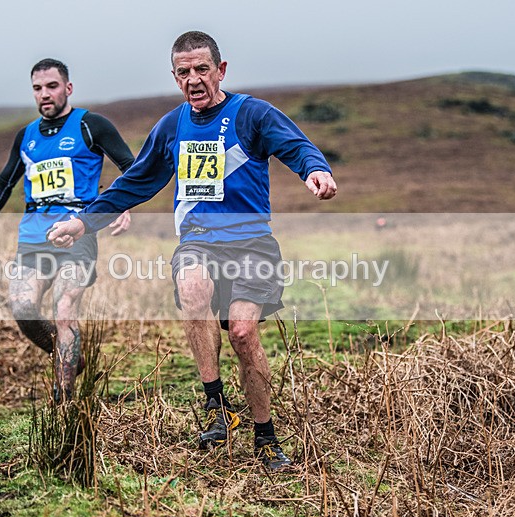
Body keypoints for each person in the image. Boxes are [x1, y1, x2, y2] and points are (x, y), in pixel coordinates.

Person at [48, 32, 337, 470]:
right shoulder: (172, 126)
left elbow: (295, 145)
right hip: (198, 240)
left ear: (221, 70)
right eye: (184, 72)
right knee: (192, 285)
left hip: (252, 243)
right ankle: (217, 408)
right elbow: (136, 182)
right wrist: (82, 220)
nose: (194, 79)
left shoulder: (251, 113)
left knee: (242, 333)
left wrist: (314, 170)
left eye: (202, 69)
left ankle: (265, 435)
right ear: (174, 77)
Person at [0, 58, 135, 402]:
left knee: (64, 310)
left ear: (68, 88)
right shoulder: (26, 137)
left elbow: (132, 167)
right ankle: (72, 357)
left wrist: (122, 205)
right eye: (38, 88)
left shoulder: (91, 125)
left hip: (77, 233)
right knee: (23, 309)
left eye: (52, 86)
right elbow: (3, 183)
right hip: (33, 237)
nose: (45, 94)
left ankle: (63, 401)